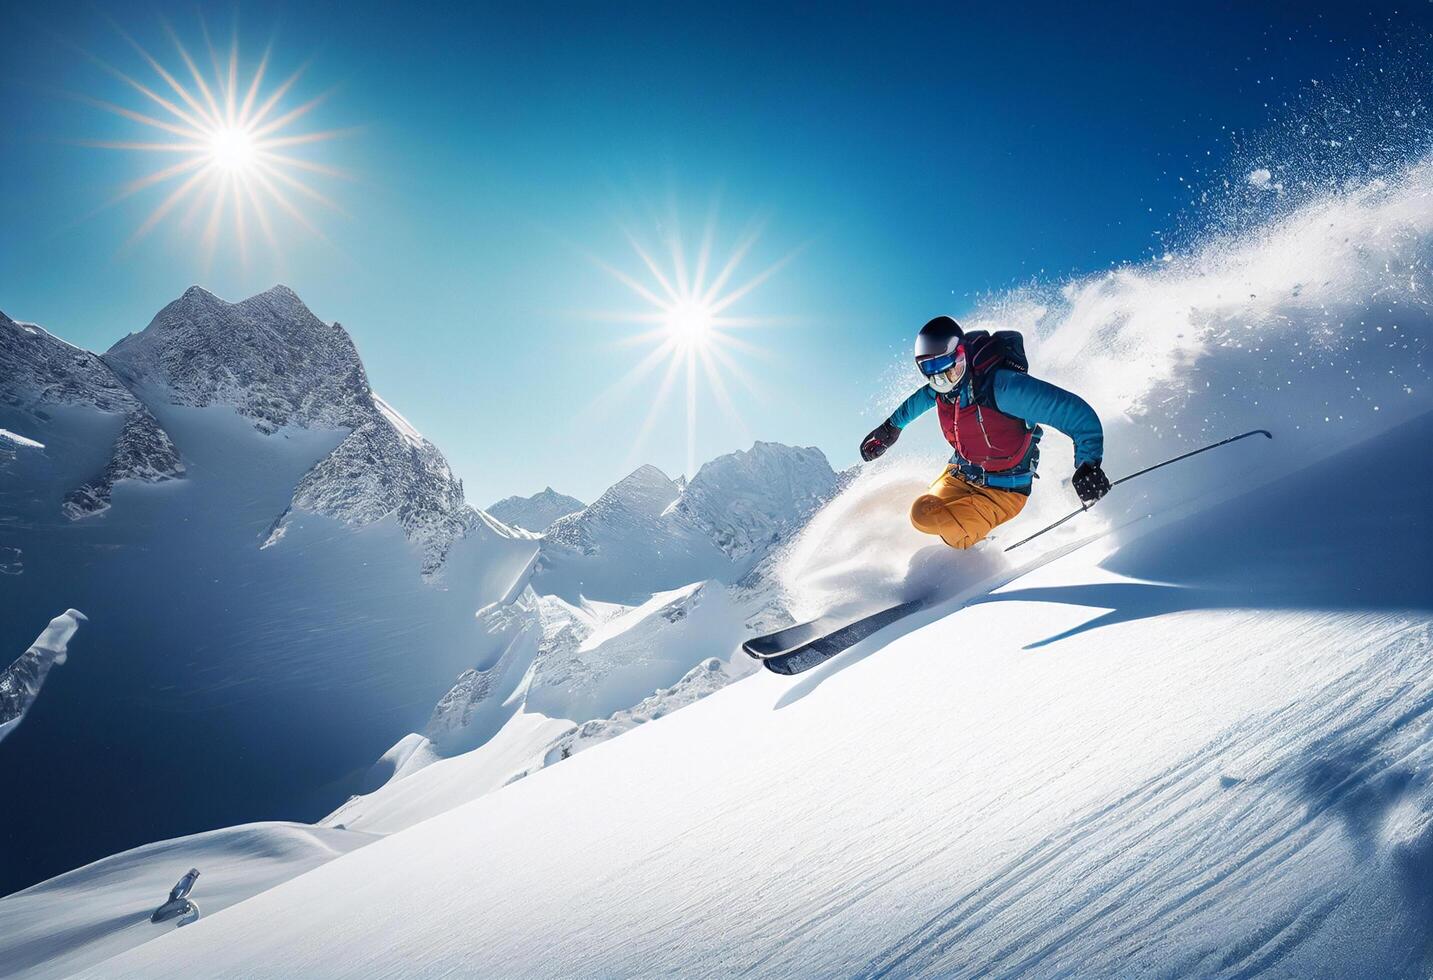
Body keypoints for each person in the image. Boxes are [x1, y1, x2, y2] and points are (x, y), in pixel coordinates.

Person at [860, 315, 1109, 549]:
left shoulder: (1004, 388)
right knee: (922, 514)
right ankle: (963, 537)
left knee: (943, 527)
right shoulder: (942, 387)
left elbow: (1075, 413)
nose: (943, 380)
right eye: (931, 373)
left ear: (961, 354)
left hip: (1002, 491)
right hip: (960, 476)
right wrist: (890, 428)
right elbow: (920, 399)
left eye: (950, 369)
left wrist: (1088, 464)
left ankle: (979, 547)